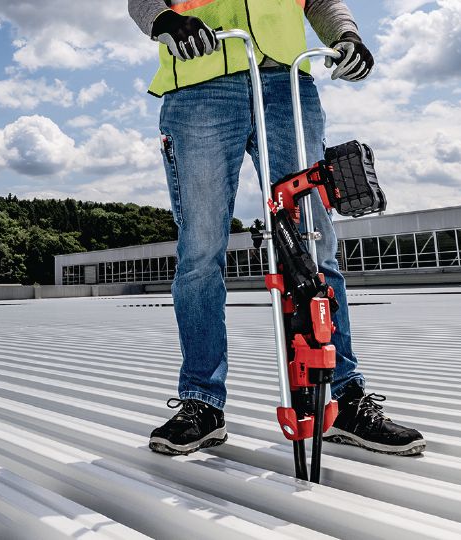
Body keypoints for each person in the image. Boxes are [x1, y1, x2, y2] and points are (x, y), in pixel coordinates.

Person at [127, 0, 426, 456]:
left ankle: (341, 399)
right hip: (200, 86)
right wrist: (164, 21)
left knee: (317, 247)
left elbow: (322, 1)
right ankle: (202, 402)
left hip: (288, 87)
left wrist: (346, 35)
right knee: (201, 254)